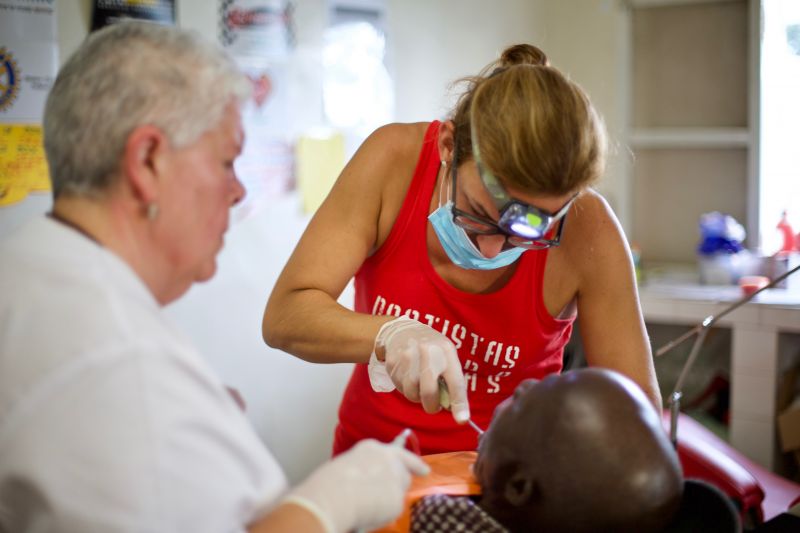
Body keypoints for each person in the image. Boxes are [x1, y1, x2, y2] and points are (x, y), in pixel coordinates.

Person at [0, 22, 428, 533]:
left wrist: (187, 418)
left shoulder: (30, 264)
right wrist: (329, 506)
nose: (239, 192)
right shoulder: (123, 363)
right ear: (147, 160)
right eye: (227, 160)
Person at [262, 44, 661, 455]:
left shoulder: (587, 226)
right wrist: (389, 332)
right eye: (478, 214)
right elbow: (286, 316)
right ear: (448, 147)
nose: (491, 251)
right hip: (376, 472)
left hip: (511, 483)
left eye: (530, 231)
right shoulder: (392, 163)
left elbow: (637, 416)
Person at [380, 369, 738, 533]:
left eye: (526, 402)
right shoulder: (548, 507)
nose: (524, 384)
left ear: (518, 487)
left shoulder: (435, 519)